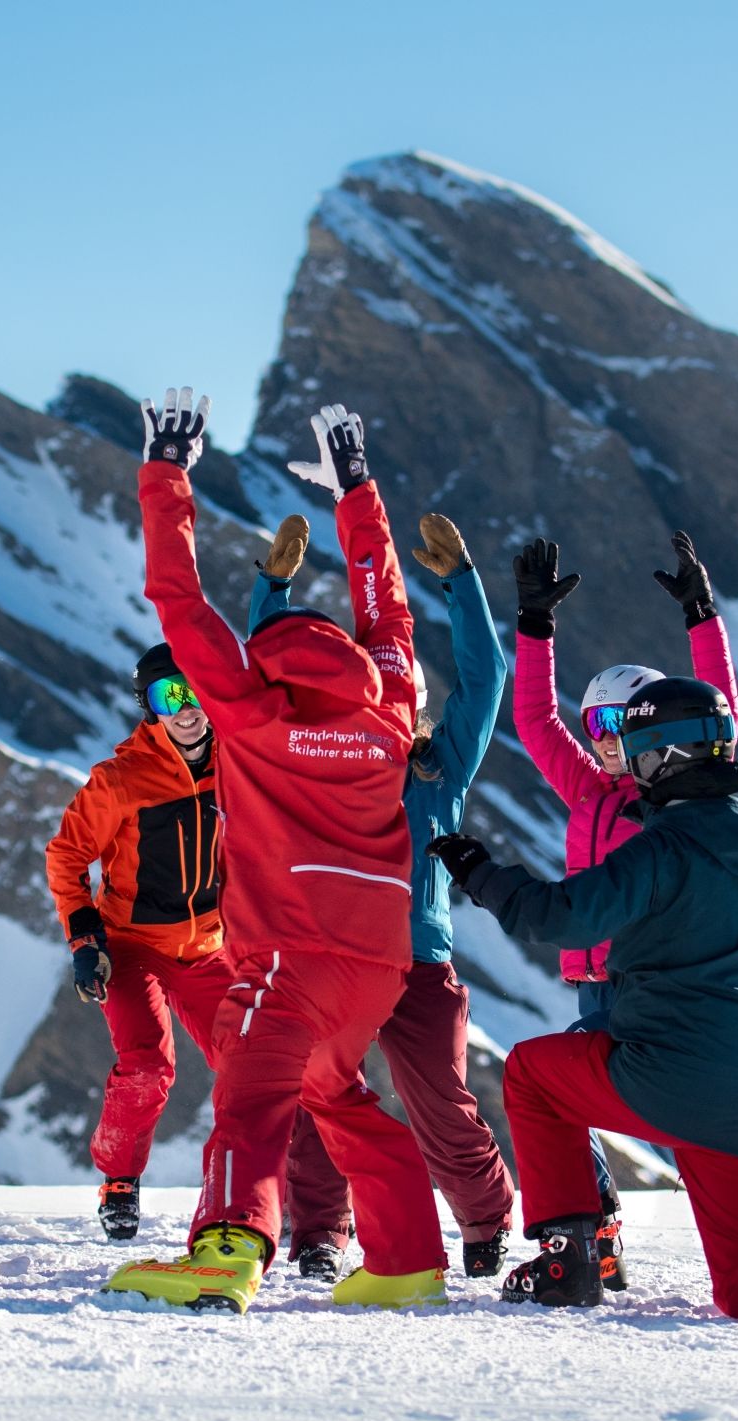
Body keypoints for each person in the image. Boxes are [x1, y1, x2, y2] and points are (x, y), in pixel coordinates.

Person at [430, 676, 738, 1329]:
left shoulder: (661, 850)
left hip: (664, 1077)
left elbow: (555, 918)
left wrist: (476, 869)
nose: (632, 772)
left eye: (637, 754)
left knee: (531, 1075)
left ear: (662, 758)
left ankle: (569, 1258)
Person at [103, 390, 446, 1313]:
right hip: (377, 962)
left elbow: (177, 599)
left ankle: (224, 1250)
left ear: (267, 662)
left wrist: (167, 471)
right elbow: (391, 613)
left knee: (252, 1102)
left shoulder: (250, 714)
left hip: (287, 958)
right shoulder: (389, 710)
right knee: (336, 1097)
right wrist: (358, 491)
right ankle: (408, 1260)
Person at [247, 509, 517, 1279]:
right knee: (318, 1094)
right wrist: (272, 591)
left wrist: (462, 585)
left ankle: (485, 1221)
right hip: (337, 953)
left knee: (441, 1100)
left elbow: (486, 679)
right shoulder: (321, 759)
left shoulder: (441, 764)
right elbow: (267, 673)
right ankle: (320, 1235)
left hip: (419, 958)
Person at [46, 643, 352, 1273]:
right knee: (148, 1065)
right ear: (149, 708)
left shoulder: (236, 760)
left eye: (195, 692)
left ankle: (288, 1207)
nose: (186, 710)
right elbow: (67, 859)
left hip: (211, 949)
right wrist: (86, 944)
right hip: (133, 947)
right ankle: (119, 1180)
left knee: (259, 1071)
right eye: (168, 697)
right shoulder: (121, 779)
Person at [510, 531, 738, 1289]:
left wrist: (702, 619)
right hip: (597, 985)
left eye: (624, 726)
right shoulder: (586, 791)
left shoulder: (672, 805)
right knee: (566, 1093)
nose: (608, 742)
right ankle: (594, 1227)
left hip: (652, 983)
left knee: (643, 1104)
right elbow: (536, 724)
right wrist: (536, 628)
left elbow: (722, 716)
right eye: (598, 725)